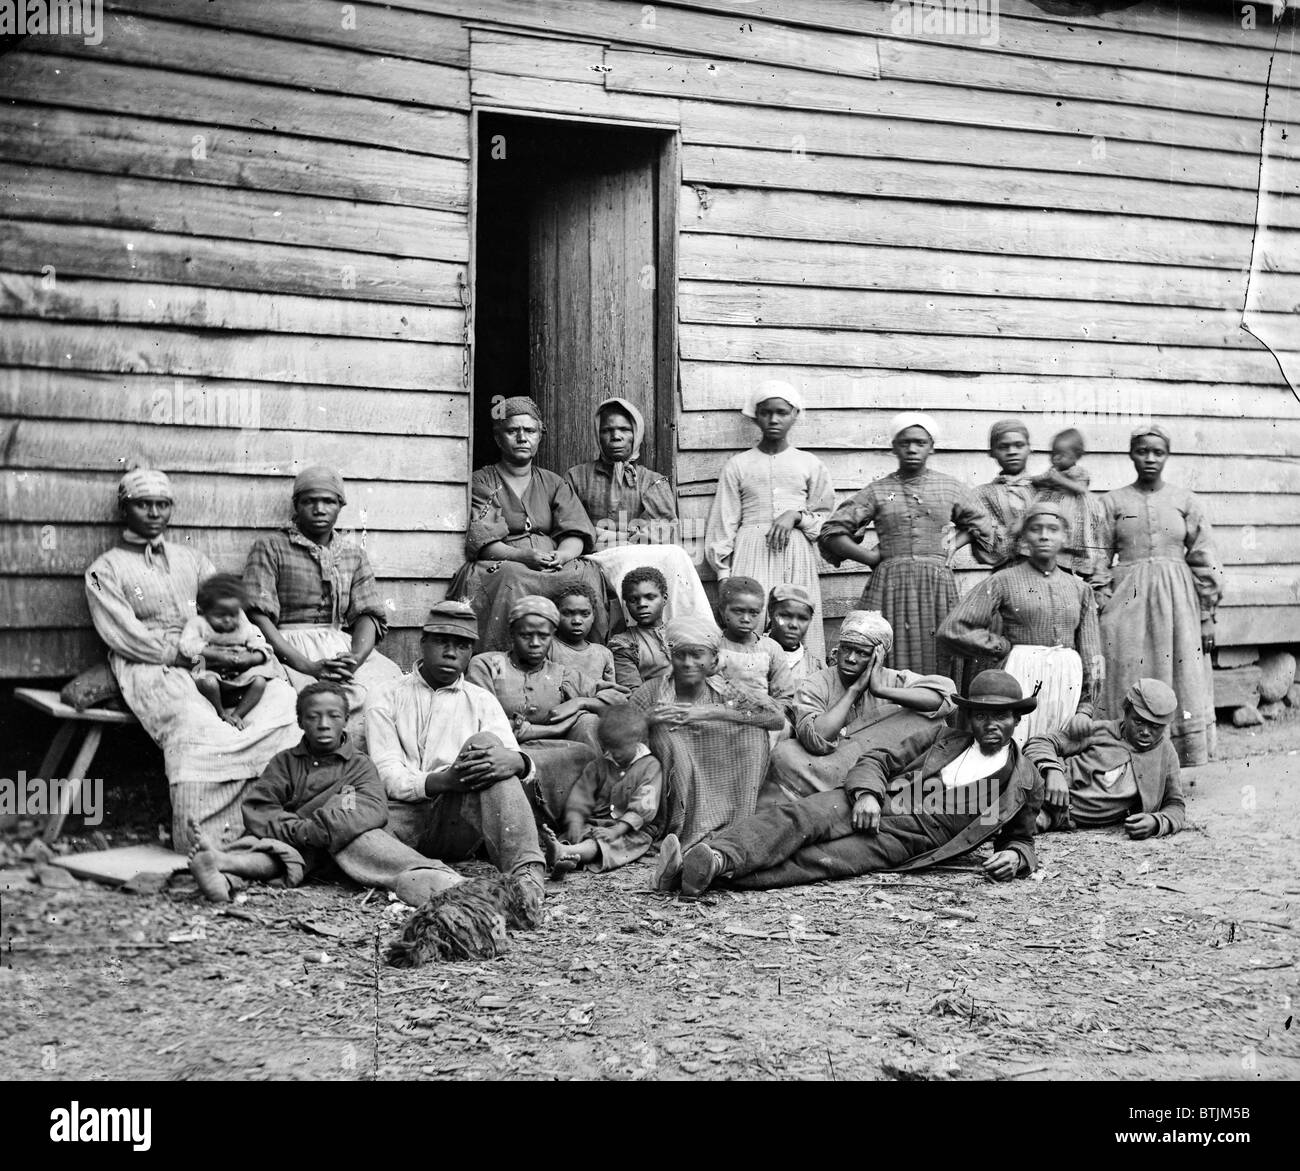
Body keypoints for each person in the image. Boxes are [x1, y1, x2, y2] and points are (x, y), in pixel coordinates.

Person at [655, 671, 1044, 896]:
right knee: (800, 819)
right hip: (874, 802)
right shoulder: (943, 739)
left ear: (1017, 720)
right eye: (981, 716)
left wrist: (1016, 858)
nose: (991, 725)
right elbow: (878, 758)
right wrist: (869, 796)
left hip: (909, 840)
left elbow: (1021, 839)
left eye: (1002, 716)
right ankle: (719, 857)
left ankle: (700, 871)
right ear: (970, 718)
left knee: (818, 862)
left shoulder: (1023, 780)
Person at [84, 469, 299, 852]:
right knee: (197, 723)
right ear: (125, 510)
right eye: (143, 504)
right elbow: (123, 636)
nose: (153, 513)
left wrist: (255, 651)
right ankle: (207, 842)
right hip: (153, 663)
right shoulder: (105, 570)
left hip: (218, 659)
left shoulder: (194, 560)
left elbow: (233, 613)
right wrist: (185, 655)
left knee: (282, 704)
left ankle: (272, 825)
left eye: (162, 505)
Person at [188, 682, 461, 906]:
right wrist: (297, 830)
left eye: (332, 716)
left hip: (338, 843)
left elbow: (366, 806)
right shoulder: (286, 762)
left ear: (345, 720)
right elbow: (261, 807)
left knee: (362, 835)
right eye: (313, 716)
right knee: (271, 853)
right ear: (300, 722)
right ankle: (222, 873)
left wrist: (319, 828)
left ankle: (429, 877)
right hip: (293, 843)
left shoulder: (357, 764)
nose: (323, 724)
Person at [364, 601, 547, 912]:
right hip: (403, 820)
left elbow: (508, 755)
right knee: (354, 831)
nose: (451, 653)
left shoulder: (480, 700)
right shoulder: (386, 694)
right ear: (423, 643)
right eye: (442, 642)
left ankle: (527, 878)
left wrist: (519, 762)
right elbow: (387, 772)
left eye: (461, 646)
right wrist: (443, 780)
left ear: (470, 652)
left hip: (459, 820)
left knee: (487, 744)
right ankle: (439, 878)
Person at [819, 412, 994, 678]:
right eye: (905, 442)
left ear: (931, 446)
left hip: (936, 584)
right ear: (894, 447)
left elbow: (981, 524)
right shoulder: (879, 490)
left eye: (920, 442)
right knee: (885, 649)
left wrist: (953, 544)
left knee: (939, 649)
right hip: (890, 584)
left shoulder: (949, 487)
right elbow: (832, 532)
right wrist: (869, 557)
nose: (912, 448)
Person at [242, 465, 402, 749]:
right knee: (286, 705)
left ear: (340, 505)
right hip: (285, 647)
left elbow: (368, 614)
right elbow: (258, 615)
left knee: (387, 691)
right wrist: (306, 666)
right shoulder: (271, 547)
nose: (319, 509)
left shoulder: (353, 554)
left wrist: (353, 660)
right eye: (309, 501)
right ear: (296, 505)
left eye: (328, 501)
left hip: (339, 647)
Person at [1094, 424, 1223, 766]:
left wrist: (1208, 616)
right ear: (1130, 454)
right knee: (1126, 669)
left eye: (1158, 452)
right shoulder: (1112, 501)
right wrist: (1102, 600)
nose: (1149, 458)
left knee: (1181, 669)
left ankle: (1179, 757)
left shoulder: (1185, 501)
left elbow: (1205, 558)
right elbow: (1098, 558)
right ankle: (1125, 755)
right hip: (1128, 599)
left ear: (1167, 455)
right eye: (1142, 451)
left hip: (1178, 601)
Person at [937, 501, 1102, 744]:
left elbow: (1093, 656)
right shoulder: (1003, 581)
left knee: (1060, 748)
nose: (1044, 536)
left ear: (1065, 538)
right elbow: (952, 629)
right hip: (1020, 675)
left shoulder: (1080, 588)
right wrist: (999, 647)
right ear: (1024, 537)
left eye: (1053, 529)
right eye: (1036, 529)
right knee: (1019, 747)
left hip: (1068, 682)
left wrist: (1086, 709)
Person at [449, 396, 606, 651]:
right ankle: (503, 659)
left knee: (585, 573)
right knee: (512, 576)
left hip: (550, 561)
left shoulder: (553, 482)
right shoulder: (484, 481)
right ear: (499, 438)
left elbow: (576, 531)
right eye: (512, 431)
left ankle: (586, 660)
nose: (522, 438)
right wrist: (524, 556)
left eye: (530, 431)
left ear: (539, 436)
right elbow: (485, 544)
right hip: (507, 560)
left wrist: (562, 556)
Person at [760, 610, 957, 808]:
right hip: (831, 768)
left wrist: (880, 690)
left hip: (883, 768)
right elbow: (817, 739)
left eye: (862, 653)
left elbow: (945, 698)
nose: (851, 658)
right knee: (786, 754)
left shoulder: (894, 680)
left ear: (879, 657)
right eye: (846, 649)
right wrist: (854, 690)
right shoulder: (816, 683)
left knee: (930, 719)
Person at [627, 616, 784, 853]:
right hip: (667, 797)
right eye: (681, 655)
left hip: (720, 779)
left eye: (697, 655)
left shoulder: (726, 689)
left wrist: (706, 712)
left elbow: (775, 719)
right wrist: (646, 721)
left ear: (713, 659)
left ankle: (733, 828)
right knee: (666, 735)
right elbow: (620, 737)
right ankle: (682, 833)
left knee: (753, 734)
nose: (688, 663)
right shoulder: (652, 692)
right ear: (671, 656)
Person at [704, 382, 836, 661]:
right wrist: (724, 576)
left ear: (794, 414)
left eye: (782, 412)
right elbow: (724, 521)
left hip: (795, 552)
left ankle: (803, 689)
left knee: (795, 618)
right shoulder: (738, 465)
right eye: (766, 413)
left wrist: (796, 516)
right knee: (753, 618)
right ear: (755, 416)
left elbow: (826, 522)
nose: (774, 419)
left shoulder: (809, 463)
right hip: (751, 549)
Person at [565, 396, 712, 625]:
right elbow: (573, 525)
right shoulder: (577, 477)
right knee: (627, 561)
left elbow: (665, 529)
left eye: (624, 429)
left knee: (677, 555)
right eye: (607, 430)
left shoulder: (651, 481)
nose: (616, 436)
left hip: (639, 554)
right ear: (598, 434)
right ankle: (637, 637)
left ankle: (692, 631)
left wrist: (620, 536)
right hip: (595, 557)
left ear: (636, 434)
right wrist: (625, 536)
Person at [466, 595, 607, 824]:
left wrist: (580, 703)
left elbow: (617, 699)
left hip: (551, 750)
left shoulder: (562, 674)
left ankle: (587, 815)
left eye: (543, 636)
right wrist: (553, 729)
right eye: (525, 635)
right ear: (512, 634)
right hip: (505, 749)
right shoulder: (487, 665)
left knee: (589, 723)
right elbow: (484, 722)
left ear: (552, 636)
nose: (534, 643)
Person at [1025, 678, 1185, 838]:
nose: (1145, 731)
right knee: (1002, 813)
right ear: (1126, 712)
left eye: (1155, 726)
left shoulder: (1166, 753)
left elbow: (1176, 805)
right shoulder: (1102, 731)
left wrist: (1156, 822)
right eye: (1138, 722)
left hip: (1056, 817)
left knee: (1015, 826)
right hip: (1039, 792)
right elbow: (1040, 742)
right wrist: (1053, 771)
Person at [540, 705, 666, 877]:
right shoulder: (598, 766)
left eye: (620, 747)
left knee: (609, 843)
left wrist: (616, 830)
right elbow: (581, 796)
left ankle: (564, 853)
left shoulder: (649, 766)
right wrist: (575, 821)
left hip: (630, 830)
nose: (614, 753)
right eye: (609, 748)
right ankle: (565, 856)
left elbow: (643, 808)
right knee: (578, 834)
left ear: (638, 740)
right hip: (595, 824)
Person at [179, 573, 284, 729]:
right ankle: (221, 712)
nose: (228, 620)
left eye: (233, 614)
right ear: (204, 611)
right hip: (208, 667)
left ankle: (237, 715)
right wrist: (218, 656)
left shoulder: (244, 625)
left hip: (237, 671)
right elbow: (187, 646)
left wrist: (251, 658)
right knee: (203, 676)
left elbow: (262, 644)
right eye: (220, 615)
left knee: (260, 682)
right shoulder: (198, 624)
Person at [951, 418, 1036, 570]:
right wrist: (946, 550)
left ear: (1030, 448)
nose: (1012, 452)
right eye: (1003, 447)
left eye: (1019, 445)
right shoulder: (981, 495)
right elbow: (972, 528)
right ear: (992, 452)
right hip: (1006, 574)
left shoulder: (1044, 490)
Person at [713, 576, 797, 725]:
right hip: (722, 721)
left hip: (763, 721)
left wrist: (769, 710)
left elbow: (785, 697)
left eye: (753, 613)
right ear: (722, 610)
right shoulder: (713, 647)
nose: (746, 618)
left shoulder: (771, 648)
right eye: (738, 611)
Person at [1030, 427, 1108, 580]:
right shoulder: (1052, 471)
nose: (1056, 459)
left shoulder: (1078, 472)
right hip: (1053, 512)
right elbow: (1039, 479)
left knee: (1068, 540)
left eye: (1062, 455)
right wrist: (1035, 480)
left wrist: (1059, 480)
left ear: (1076, 456)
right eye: (1053, 454)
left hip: (1071, 512)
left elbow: (1081, 489)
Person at [546, 582, 625, 703]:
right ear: (556, 614)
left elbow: (611, 696)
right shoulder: (548, 648)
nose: (577, 621)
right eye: (568, 613)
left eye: (585, 614)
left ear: (593, 616)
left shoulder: (603, 653)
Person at [607, 566, 673, 691]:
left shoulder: (684, 631)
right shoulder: (623, 643)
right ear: (626, 604)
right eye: (633, 600)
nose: (642, 604)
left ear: (664, 599)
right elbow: (634, 693)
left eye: (650, 597)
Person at [765, 584, 825, 685]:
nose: (793, 625)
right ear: (771, 613)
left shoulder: (816, 668)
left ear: (810, 619)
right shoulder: (750, 657)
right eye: (785, 616)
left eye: (802, 618)